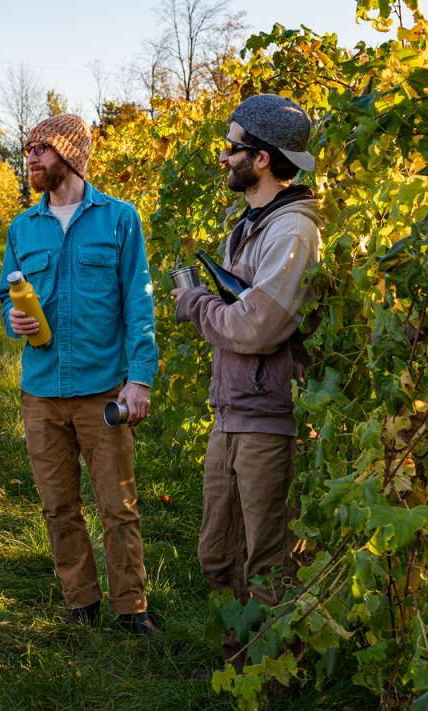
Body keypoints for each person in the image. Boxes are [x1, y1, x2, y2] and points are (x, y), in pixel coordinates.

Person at [170, 94, 322, 666]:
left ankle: (272, 677)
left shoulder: (293, 233)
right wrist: (212, 303)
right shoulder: (250, 226)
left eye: (232, 148)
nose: (224, 158)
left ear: (261, 159)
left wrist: (197, 306)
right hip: (232, 411)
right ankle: (240, 664)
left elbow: (258, 327)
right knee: (218, 554)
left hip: (271, 419)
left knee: (270, 561)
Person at [0, 113, 160, 637]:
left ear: (69, 153)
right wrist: (13, 318)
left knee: (118, 505)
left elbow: (138, 302)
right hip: (41, 391)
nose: (32, 160)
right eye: (29, 150)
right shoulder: (23, 227)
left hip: (102, 389)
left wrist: (140, 378)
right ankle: (80, 602)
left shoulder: (118, 219)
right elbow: (7, 295)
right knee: (58, 505)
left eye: (40, 149)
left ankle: (131, 607)